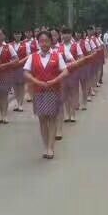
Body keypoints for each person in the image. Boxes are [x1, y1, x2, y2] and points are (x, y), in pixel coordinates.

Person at [24, 30, 70, 159]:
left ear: (51, 41)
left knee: (52, 118)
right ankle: (45, 146)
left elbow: (65, 71)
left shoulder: (57, 55)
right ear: (38, 42)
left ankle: (51, 147)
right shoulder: (33, 56)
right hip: (38, 92)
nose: (44, 43)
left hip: (53, 91)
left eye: (46, 41)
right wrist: (36, 81)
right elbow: (26, 72)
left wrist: (55, 80)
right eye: (41, 41)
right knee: (42, 119)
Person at [0, 28, 18, 125]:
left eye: (0, 34)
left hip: (6, 74)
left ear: (4, 36)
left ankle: (5, 115)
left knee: (4, 94)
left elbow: (16, 59)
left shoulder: (8, 47)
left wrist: (5, 65)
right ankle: (1, 115)